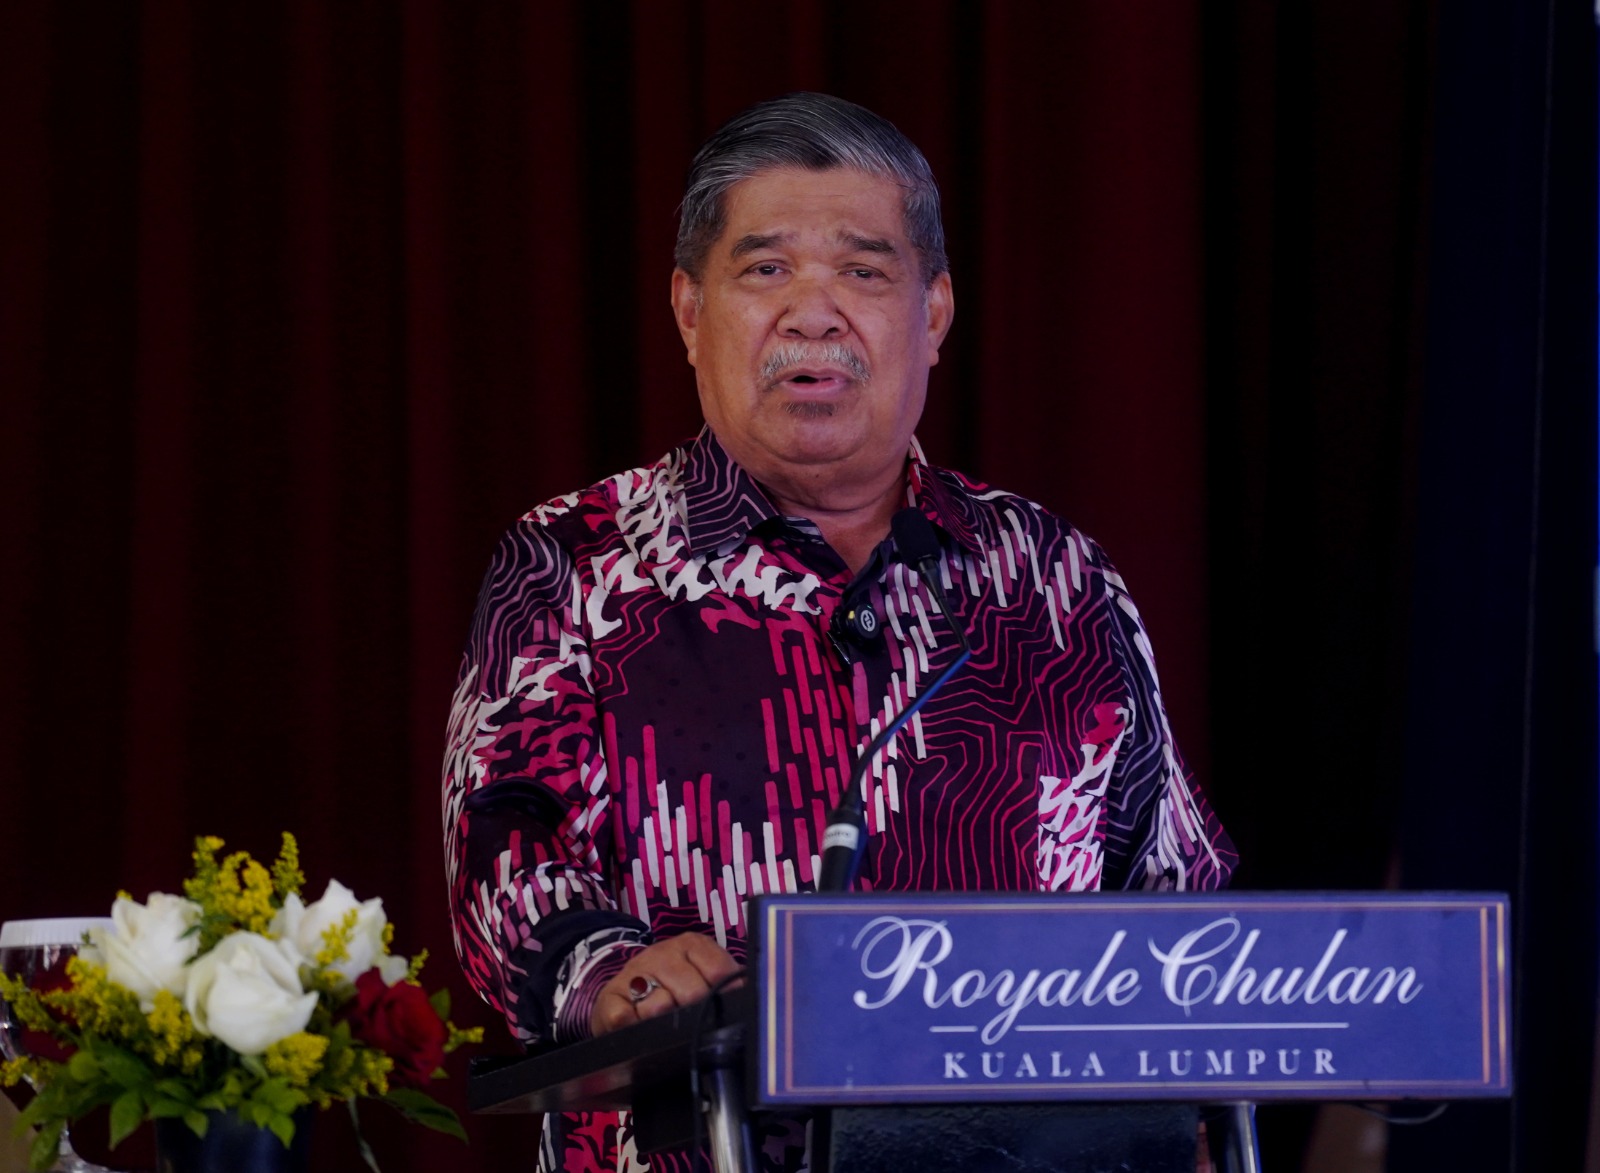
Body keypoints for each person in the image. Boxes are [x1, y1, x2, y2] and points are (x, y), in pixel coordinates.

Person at [443, 92, 1236, 1173]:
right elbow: (502, 843)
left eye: (862, 271)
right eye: (766, 269)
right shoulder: (575, 560)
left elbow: (1173, 892)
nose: (812, 314)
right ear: (689, 310)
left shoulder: (1052, 576)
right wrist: (611, 973)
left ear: (934, 313)